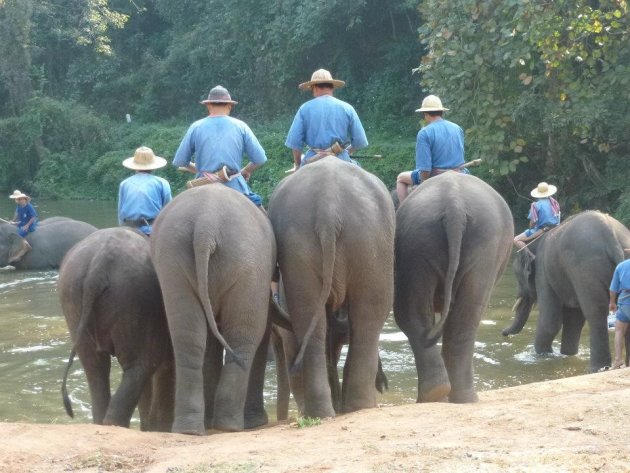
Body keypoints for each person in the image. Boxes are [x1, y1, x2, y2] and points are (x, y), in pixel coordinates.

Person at [173, 85, 267, 207]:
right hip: (235, 187)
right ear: (229, 106)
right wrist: (244, 171)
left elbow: (180, 161)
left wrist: (200, 170)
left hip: (202, 186)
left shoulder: (195, 127)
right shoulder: (241, 126)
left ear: (208, 105)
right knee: (261, 217)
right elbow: (260, 159)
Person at [285, 69, 368, 171]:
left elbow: (295, 143)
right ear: (332, 87)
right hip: (341, 158)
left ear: (314, 87)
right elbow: (360, 141)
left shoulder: (304, 109)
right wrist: (344, 151)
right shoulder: (347, 108)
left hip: (312, 160)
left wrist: (297, 165)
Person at [396, 95, 465, 203]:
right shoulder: (457, 128)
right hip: (459, 172)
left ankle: (403, 212)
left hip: (436, 175)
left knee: (400, 178)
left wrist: (424, 183)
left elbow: (425, 171)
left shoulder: (424, 133)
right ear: (441, 112)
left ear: (426, 114)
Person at [118, 146, 172, 235]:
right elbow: (168, 212)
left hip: (128, 230)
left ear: (135, 166)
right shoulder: (162, 183)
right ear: (153, 166)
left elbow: (120, 215)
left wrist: (121, 229)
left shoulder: (124, 184)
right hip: (152, 230)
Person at [513, 182, 561, 259]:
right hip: (555, 227)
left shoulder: (535, 205)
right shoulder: (554, 203)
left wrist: (530, 228)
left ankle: (531, 256)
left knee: (516, 240)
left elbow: (533, 223)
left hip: (542, 229)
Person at [609, 249, 630, 369]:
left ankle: (617, 361)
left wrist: (612, 303)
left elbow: (613, 288)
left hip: (625, 303)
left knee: (619, 331)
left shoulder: (621, 266)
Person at [9, 189, 37, 258]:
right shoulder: (19, 205)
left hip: (30, 223)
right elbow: (17, 214)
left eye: (17, 199)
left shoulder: (29, 206)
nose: (16, 200)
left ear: (22, 198)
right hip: (23, 221)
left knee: (19, 233)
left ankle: (26, 247)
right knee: (14, 229)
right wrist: (13, 221)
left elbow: (34, 216)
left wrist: (27, 225)